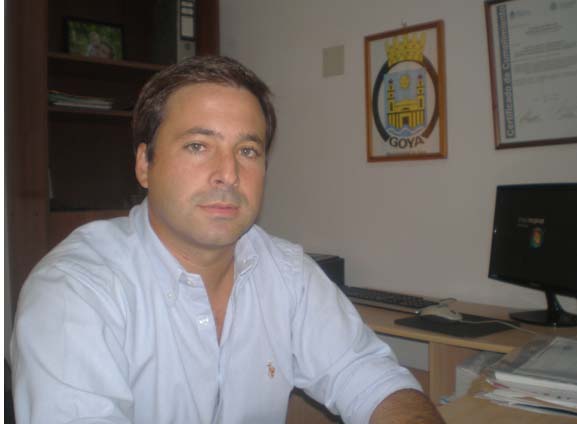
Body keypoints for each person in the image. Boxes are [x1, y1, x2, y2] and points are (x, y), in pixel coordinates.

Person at [10, 56, 445, 424]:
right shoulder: (74, 291)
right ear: (145, 164)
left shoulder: (288, 274)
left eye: (248, 151)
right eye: (198, 146)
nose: (229, 174)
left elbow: (373, 379)